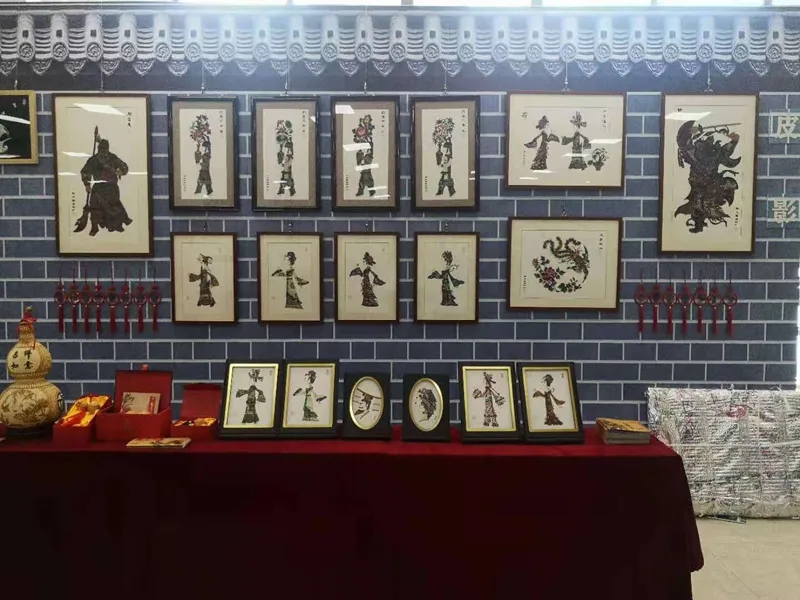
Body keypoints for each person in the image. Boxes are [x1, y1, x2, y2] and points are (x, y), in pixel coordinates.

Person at [673, 120, 741, 234]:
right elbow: (684, 144)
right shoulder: (695, 156)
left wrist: (734, 141)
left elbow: (726, 150)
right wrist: (690, 131)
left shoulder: (714, 155)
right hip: (701, 188)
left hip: (711, 187)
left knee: (704, 201)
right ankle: (699, 219)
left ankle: (700, 217)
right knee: (701, 202)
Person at [78, 137, 132, 236]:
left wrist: (121, 171)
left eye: (105, 149)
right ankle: (94, 227)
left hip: (112, 187)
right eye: (101, 149)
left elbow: (124, 166)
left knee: (114, 207)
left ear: (107, 149)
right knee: (95, 208)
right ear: (99, 149)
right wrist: (87, 184)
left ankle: (116, 225)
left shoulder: (113, 158)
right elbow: (85, 172)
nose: (103, 152)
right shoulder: (93, 160)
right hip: (99, 187)